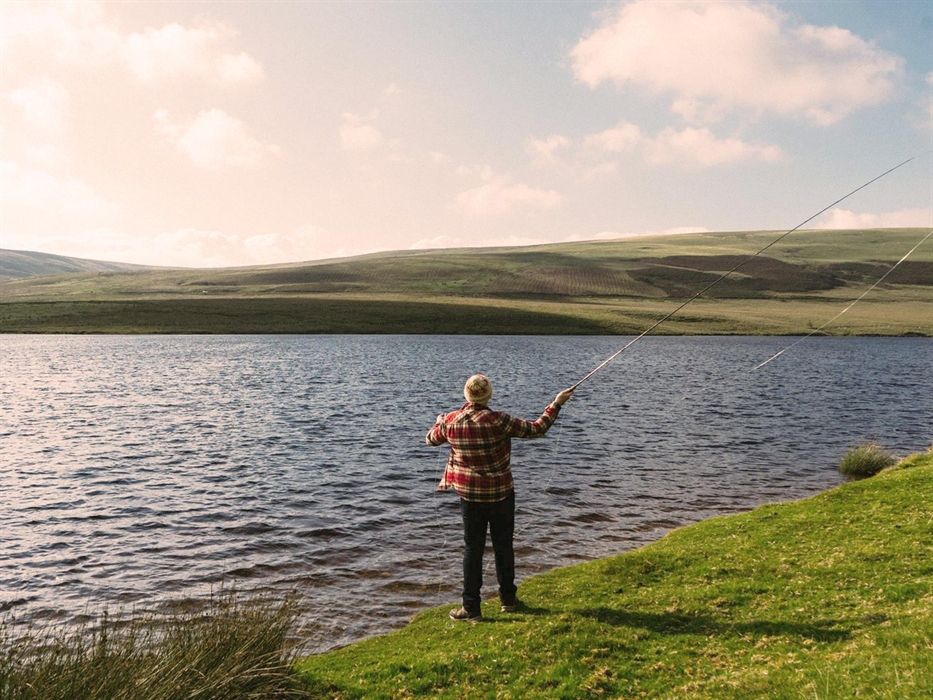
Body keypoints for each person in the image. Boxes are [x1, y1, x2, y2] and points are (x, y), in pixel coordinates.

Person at [426, 373, 575, 622]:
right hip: (502, 493)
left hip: (470, 497)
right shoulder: (500, 420)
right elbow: (538, 429)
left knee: (473, 549)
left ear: (467, 395)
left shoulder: (450, 421)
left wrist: (439, 421)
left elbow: (430, 439)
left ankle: (471, 608)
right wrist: (557, 403)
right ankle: (508, 600)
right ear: (488, 395)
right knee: (503, 546)